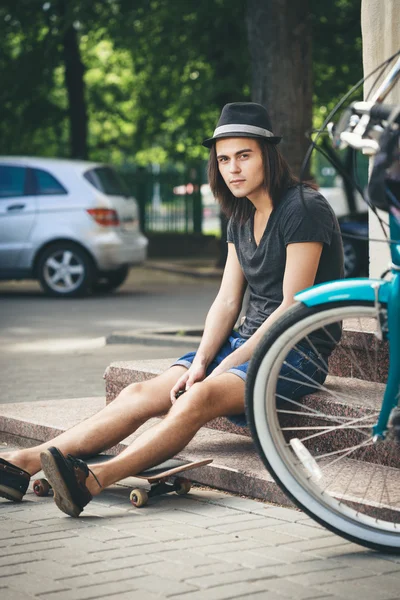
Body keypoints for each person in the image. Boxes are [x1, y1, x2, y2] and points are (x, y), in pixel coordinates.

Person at [0, 102, 344, 518]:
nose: (232, 168)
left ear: (267, 155)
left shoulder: (303, 207)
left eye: (243, 155)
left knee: (197, 397)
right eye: (223, 159)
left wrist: (218, 370)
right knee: (142, 392)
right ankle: (26, 461)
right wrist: (200, 360)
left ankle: (93, 480)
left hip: (298, 350)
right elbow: (227, 300)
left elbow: (291, 306)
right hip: (248, 341)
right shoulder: (240, 212)